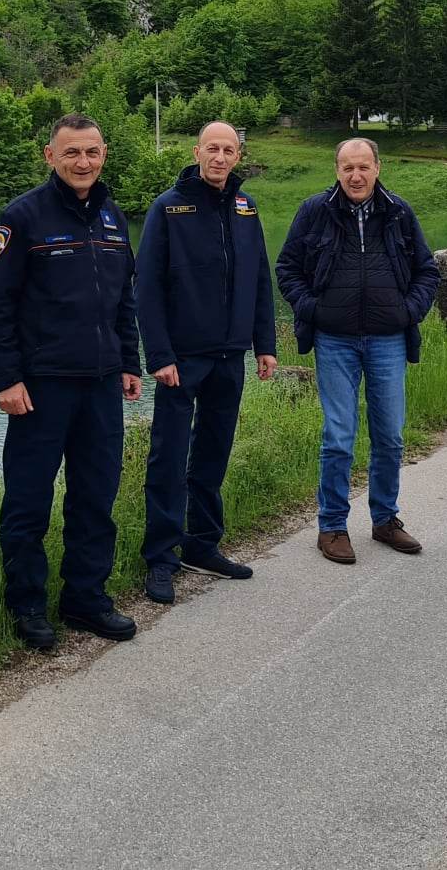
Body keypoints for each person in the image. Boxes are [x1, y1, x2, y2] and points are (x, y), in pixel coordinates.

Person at [0, 113, 144, 650]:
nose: (83, 162)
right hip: (41, 386)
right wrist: (7, 379)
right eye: (72, 152)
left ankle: (85, 599)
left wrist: (129, 362)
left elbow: (123, 300)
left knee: (95, 497)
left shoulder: (113, 218)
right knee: (28, 501)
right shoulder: (21, 217)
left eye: (92, 152)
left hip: (101, 385)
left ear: (104, 154)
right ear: (50, 156)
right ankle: (27, 606)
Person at [275, 137, 440, 565]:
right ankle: (332, 526)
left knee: (390, 436)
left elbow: (427, 271)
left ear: (377, 168)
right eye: (348, 168)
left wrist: (408, 312)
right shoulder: (315, 211)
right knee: (339, 436)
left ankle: (385, 519)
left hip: (388, 339)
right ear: (337, 170)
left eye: (363, 167)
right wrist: (314, 309)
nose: (356, 176)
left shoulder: (398, 212)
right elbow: (287, 268)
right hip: (335, 340)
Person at [136, 121, 279, 605]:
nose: (220, 157)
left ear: (238, 156)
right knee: (169, 456)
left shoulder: (245, 208)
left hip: (230, 355)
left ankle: (202, 544)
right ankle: (161, 556)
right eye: (212, 148)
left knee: (213, 452)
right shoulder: (168, 208)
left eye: (228, 150)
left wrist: (264, 343)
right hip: (182, 359)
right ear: (197, 152)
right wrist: (159, 355)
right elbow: (146, 287)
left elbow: (259, 279)